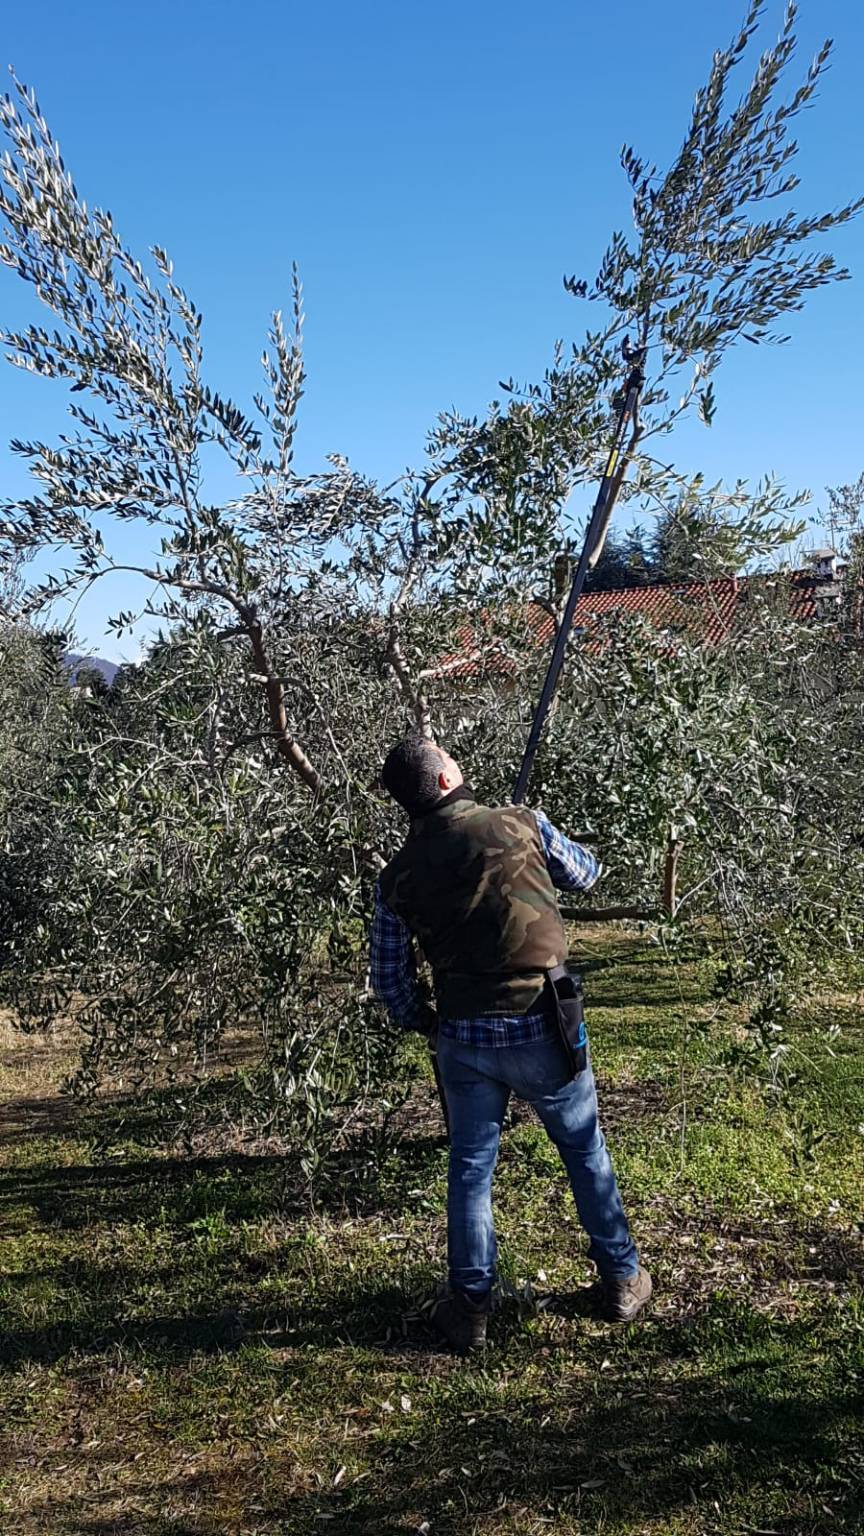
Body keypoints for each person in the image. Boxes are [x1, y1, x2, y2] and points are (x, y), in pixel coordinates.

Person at [370, 735, 652, 1353]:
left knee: (472, 1167)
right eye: (446, 755)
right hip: (544, 1020)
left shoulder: (396, 877)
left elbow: (390, 982)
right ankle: (622, 1279)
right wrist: (536, 830)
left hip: (464, 1036)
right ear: (445, 781)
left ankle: (470, 1307)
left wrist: (430, 1023)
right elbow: (586, 872)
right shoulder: (520, 823)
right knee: (583, 1150)